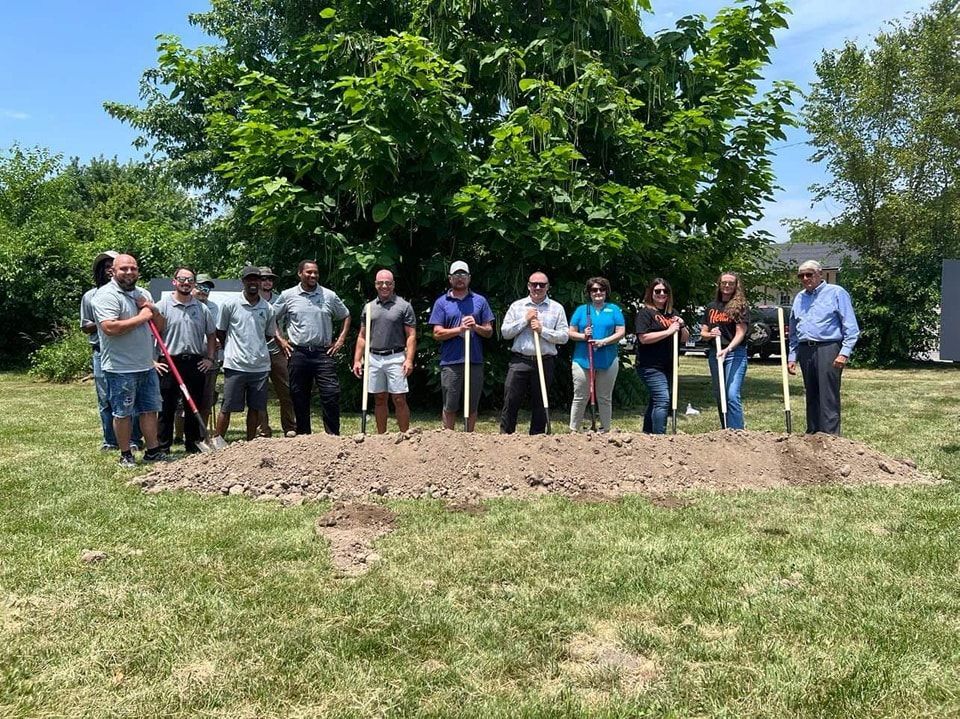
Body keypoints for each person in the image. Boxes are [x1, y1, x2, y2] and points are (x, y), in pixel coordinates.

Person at [91, 253, 167, 467]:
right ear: (113, 271)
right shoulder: (106, 295)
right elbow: (110, 328)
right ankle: (126, 454)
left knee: (149, 409)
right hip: (119, 367)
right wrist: (142, 317)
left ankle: (153, 451)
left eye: (133, 268)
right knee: (122, 412)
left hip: (146, 363)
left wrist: (152, 310)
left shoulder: (143, 294)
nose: (129, 272)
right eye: (123, 268)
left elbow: (160, 327)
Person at [275, 260, 352, 435]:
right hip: (298, 352)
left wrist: (340, 341)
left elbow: (346, 315)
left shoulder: (329, 296)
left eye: (315, 272)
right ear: (300, 273)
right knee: (299, 396)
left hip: (323, 353)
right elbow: (272, 318)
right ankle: (304, 437)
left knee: (331, 394)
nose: (313, 275)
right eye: (309, 272)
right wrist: (281, 340)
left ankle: (332, 436)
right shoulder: (288, 296)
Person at [787, 260, 860, 435]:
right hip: (806, 350)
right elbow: (794, 329)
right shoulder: (799, 298)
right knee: (811, 395)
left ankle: (830, 439)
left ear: (820, 274)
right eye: (801, 275)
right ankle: (812, 436)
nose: (805, 278)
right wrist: (792, 356)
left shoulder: (836, 293)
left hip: (828, 348)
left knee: (828, 396)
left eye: (809, 274)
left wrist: (844, 353)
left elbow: (851, 327)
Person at [154, 267, 217, 453]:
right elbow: (151, 334)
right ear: (174, 281)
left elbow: (212, 335)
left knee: (193, 404)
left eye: (190, 280)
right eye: (182, 279)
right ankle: (163, 447)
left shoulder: (202, 308)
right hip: (169, 362)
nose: (186, 282)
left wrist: (210, 359)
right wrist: (153, 360)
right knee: (167, 406)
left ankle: (193, 444)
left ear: (194, 283)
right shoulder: (162, 306)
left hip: (195, 363)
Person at [428, 261, 495, 431]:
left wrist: (475, 327)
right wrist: (459, 330)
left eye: (463, 275)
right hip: (451, 361)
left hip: (474, 360)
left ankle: (469, 439)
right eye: (456, 275)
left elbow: (489, 331)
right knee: (450, 404)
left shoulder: (480, 301)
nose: (460, 279)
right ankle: (449, 440)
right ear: (450, 279)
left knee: (472, 405)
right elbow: (436, 333)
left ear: (469, 278)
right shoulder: (442, 302)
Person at [500, 271, 569, 434]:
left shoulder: (556, 308)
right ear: (528, 286)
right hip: (520, 360)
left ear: (548, 287)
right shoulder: (517, 306)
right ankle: (505, 437)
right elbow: (505, 332)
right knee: (511, 398)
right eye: (534, 284)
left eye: (542, 285)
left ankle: (537, 439)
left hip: (545, 360)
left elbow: (564, 336)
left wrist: (542, 330)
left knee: (541, 401)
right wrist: (525, 320)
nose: (538, 287)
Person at [215, 266, 277, 442]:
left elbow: (268, 334)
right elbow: (221, 331)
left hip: (260, 366)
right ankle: (218, 442)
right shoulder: (230, 304)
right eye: (249, 279)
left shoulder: (268, 308)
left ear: (259, 281)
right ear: (243, 282)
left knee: (256, 408)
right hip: (235, 365)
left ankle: (249, 444)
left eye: (256, 279)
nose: (253, 282)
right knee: (227, 407)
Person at [352, 269, 416, 433]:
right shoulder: (369, 307)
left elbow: (411, 336)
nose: (384, 286)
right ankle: (382, 438)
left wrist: (409, 359)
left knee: (399, 399)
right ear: (375, 285)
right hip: (374, 357)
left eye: (388, 283)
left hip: (395, 357)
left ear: (393, 285)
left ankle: (405, 436)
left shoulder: (404, 306)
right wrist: (357, 360)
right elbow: (362, 336)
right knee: (379, 398)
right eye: (380, 283)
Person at [567, 277, 625, 432]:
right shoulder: (581, 310)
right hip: (582, 359)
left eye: (601, 289)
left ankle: (605, 429)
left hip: (608, 358)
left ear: (606, 292)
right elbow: (570, 332)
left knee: (604, 397)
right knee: (580, 395)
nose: (598, 292)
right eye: (594, 290)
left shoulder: (614, 309)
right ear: (589, 293)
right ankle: (573, 430)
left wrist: (604, 341)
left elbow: (621, 332)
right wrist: (583, 336)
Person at [634, 277, 689, 434]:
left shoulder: (672, 313)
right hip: (649, 365)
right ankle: (660, 438)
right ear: (651, 293)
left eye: (665, 291)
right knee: (663, 400)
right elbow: (643, 338)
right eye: (657, 291)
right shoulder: (645, 314)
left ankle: (648, 434)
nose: (661, 294)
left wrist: (682, 325)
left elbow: (684, 338)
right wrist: (668, 331)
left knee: (655, 400)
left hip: (669, 365)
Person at [700, 271, 749, 429]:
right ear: (719, 285)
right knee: (720, 395)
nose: (727, 285)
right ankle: (726, 431)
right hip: (715, 353)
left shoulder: (740, 307)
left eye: (731, 283)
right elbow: (703, 333)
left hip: (735, 353)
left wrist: (728, 349)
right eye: (724, 282)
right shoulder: (711, 307)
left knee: (731, 394)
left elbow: (740, 333)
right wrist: (710, 334)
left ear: (736, 286)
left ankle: (737, 433)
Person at [257, 266, 297, 437]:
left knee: (286, 390)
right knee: (259, 393)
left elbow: (289, 321)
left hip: (278, 351)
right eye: (264, 278)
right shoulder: (251, 299)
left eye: (270, 279)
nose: (267, 282)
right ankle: (262, 429)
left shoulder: (282, 299)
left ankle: (290, 427)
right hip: (256, 352)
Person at [193, 274, 221, 430]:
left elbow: (215, 331)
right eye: (201, 287)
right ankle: (179, 435)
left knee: (206, 399)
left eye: (207, 288)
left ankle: (202, 433)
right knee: (181, 402)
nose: (204, 291)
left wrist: (218, 341)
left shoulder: (214, 308)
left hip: (209, 358)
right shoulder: (185, 303)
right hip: (190, 357)